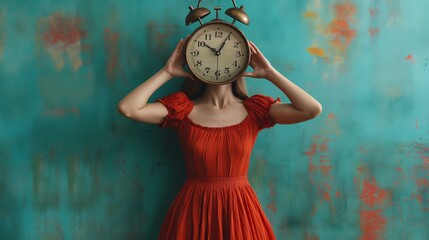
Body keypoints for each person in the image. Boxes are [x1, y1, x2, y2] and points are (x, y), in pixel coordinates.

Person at [117, 37, 322, 239]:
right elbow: (128, 108)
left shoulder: (255, 110)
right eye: (209, 53)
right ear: (195, 61)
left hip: (240, 210)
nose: (217, 58)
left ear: (240, 60)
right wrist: (167, 72)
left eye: (227, 53)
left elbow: (312, 109)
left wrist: (270, 73)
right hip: (194, 209)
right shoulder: (183, 109)